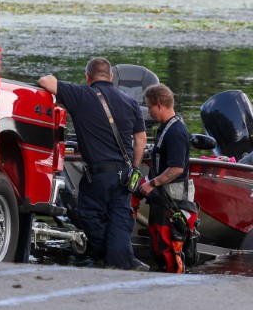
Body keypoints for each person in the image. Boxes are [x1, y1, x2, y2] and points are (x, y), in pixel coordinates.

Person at [39, 58, 148, 271]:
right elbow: (141, 139)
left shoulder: (81, 94)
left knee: (88, 214)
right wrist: (134, 168)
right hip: (124, 174)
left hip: (99, 175)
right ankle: (120, 260)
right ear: (111, 76)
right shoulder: (130, 101)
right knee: (120, 218)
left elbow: (46, 81)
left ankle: (109, 258)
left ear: (87, 77)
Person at [139, 83, 195, 273]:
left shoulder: (176, 132)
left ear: (160, 104)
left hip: (173, 199)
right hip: (161, 196)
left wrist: (152, 183)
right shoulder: (165, 128)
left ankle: (174, 280)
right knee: (158, 240)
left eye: (149, 106)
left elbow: (177, 168)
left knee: (169, 244)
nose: (148, 111)